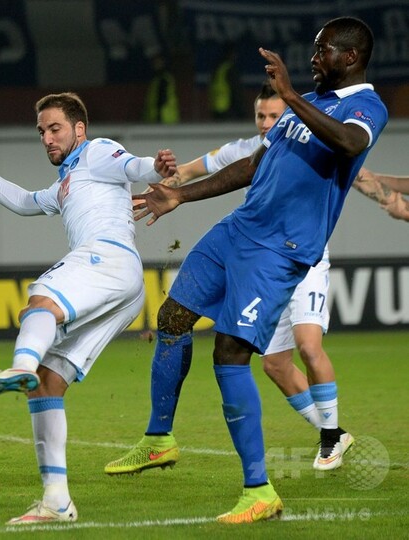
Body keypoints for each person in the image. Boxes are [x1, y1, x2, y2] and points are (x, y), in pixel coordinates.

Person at [105, 17, 387, 524]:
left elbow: (349, 144)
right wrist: (181, 195)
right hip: (237, 230)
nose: (314, 59)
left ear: (350, 58)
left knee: (230, 354)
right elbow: (254, 165)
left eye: (322, 51)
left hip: (280, 249)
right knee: (172, 318)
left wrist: (291, 96)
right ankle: (158, 438)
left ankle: (259, 491)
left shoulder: (365, 107)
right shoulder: (308, 104)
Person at [0, 92, 176, 524]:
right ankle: (56, 500)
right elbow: (23, 202)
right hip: (125, 288)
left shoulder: (96, 151)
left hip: (107, 258)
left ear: (79, 128)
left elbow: (133, 167)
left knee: (41, 301)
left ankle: (19, 367)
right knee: (47, 382)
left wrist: (156, 168)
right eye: (41, 132)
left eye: (55, 128)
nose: (47, 138)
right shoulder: (66, 182)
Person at [146, 82, 354, 471]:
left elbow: (350, 160)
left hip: (303, 258)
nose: (266, 122)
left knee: (309, 347)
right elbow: (190, 170)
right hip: (260, 261)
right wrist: (164, 182)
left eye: (274, 115)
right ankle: (334, 432)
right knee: (274, 364)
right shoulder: (243, 150)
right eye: (261, 115)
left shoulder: (312, 141)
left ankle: (329, 438)